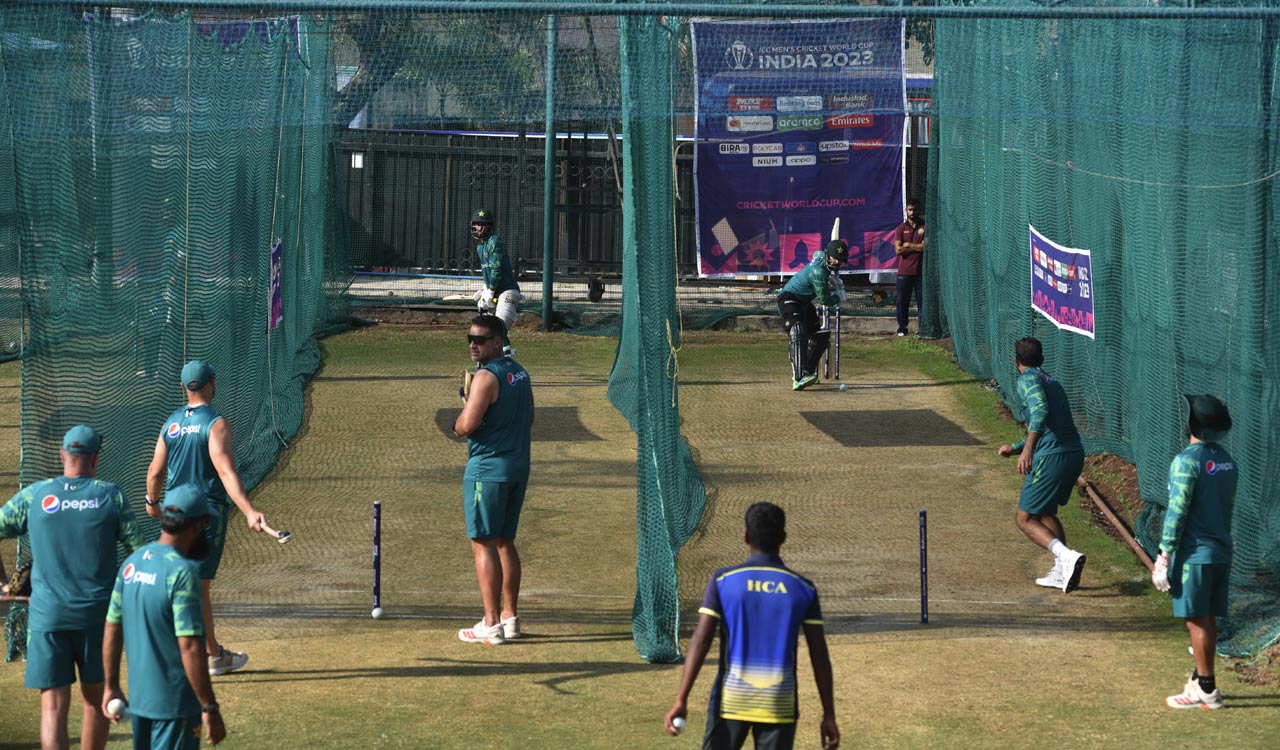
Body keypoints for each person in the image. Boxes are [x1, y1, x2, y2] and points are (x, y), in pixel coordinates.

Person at [0, 425, 146, 750]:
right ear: (95, 458)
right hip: (97, 618)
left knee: (52, 708)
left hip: (47, 616)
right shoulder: (111, 495)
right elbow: (140, 554)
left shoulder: (35, 496)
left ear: (62, 455)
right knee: (96, 702)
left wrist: (2, 583)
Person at [664, 502, 839, 750]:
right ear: (784, 538)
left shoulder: (724, 581)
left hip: (731, 701)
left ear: (745, 537)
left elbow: (701, 640)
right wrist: (828, 714)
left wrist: (681, 699)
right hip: (779, 703)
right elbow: (819, 654)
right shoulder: (803, 588)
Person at [145, 360, 266, 676]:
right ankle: (211, 655)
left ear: (183, 388)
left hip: (172, 512)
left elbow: (156, 472)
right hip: (204, 515)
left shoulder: (169, 424)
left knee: (181, 583)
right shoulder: (216, 424)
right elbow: (225, 471)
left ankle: (190, 650)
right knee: (198, 587)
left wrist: (152, 502)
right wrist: (249, 511)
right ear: (213, 381)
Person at [102, 485, 227, 748]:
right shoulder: (182, 573)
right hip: (176, 707)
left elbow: (112, 628)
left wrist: (111, 686)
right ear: (199, 524)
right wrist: (209, 707)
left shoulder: (133, 563)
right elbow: (190, 646)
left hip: (141, 703)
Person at [453, 314, 534, 645]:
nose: (474, 344)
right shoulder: (521, 372)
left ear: (498, 341)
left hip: (487, 470)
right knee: (504, 541)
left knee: (483, 543)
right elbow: (529, 418)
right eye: (470, 338)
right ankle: (510, 618)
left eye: (481, 339)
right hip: (518, 466)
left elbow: (466, 427)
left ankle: (491, 625)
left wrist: (463, 410)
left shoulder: (486, 377)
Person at [1152, 395, 1236, 710]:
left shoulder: (1186, 461)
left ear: (1192, 423)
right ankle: (1198, 679)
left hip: (1196, 555)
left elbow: (1177, 512)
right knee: (1207, 619)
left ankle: (1207, 690)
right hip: (1221, 552)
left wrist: (1164, 555)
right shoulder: (1228, 461)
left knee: (1196, 620)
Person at [997, 337, 1087, 592]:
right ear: (1042, 359)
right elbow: (1050, 423)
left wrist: (1027, 450)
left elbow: (1039, 412)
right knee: (1045, 514)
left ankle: (1067, 557)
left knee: (1024, 519)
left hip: (1052, 457)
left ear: (1016, 361)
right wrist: (1015, 447)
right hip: (1072, 453)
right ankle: (1062, 570)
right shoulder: (1050, 380)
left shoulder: (1027, 379)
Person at [777, 240, 848, 391]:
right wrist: (838, 296)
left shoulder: (821, 257)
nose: (837, 262)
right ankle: (798, 377)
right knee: (798, 330)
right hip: (789, 297)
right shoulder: (818, 271)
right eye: (835, 258)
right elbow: (824, 300)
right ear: (828, 256)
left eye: (840, 260)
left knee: (820, 335)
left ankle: (807, 372)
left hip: (803, 302)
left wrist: (832, 281)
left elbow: (817, 254)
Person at [470, 209, 522, 358]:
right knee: (488, 331)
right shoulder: (480, 247)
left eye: (482, 224)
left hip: (507, 291)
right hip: (494, 292)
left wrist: (490, 291)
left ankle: (506, 365)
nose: (478, 227)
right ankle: (497, 365)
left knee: (498, 327)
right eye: (476, 224)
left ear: (489, 226)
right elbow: (487, 273)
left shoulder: (495, 241)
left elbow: (496, 269)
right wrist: (485, 290)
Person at [893, 197, 926, 337]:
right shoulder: (901, 228)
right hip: (904, 272)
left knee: (922, 303)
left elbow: (925, 247)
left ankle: (923, 329)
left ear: (919, 210)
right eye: (910, 210)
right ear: (906, 211)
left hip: (920, 272)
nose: (912, 212)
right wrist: (915, 248)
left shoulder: (925, 227)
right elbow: (898, 250)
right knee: (902, 302)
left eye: (915, 209)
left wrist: (908, 245)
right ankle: (902, 328)